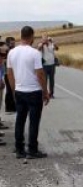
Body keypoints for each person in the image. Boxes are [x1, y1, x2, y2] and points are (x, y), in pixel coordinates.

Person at [7, 26, 50, 159]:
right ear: (31, 36)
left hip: (19, 90)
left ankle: (19, 149)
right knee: (34, 121)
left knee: (20, 120)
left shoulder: (12, 53)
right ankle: (32, 150)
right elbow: (40, 74)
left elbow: (10, 73)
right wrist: (45, 91)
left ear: (21, 36)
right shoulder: (34, 53)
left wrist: (14, 90)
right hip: (34, 91)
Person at [38, 34, 59, 99]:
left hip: (52, 65)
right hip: (44, 66)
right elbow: (38, 48)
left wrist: (52, 42)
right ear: (42, 39)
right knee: (45, 80)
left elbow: (57, 48)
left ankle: (51, 94)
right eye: (43, 38)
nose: (45, 39)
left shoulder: (51, 44)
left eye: (46, 38)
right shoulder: (40, 44)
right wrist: (43, 43)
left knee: (52, 80)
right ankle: (45, 93)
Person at [4, 37, 16, 113]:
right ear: (8, 43)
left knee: (13, 90)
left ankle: (13, 106)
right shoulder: (6, 51)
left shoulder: (12, 51)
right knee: (9, 90)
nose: (13, 45)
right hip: (7, 73)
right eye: (12, 43)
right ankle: (8, 107)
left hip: (13, 72)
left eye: (14, 43)